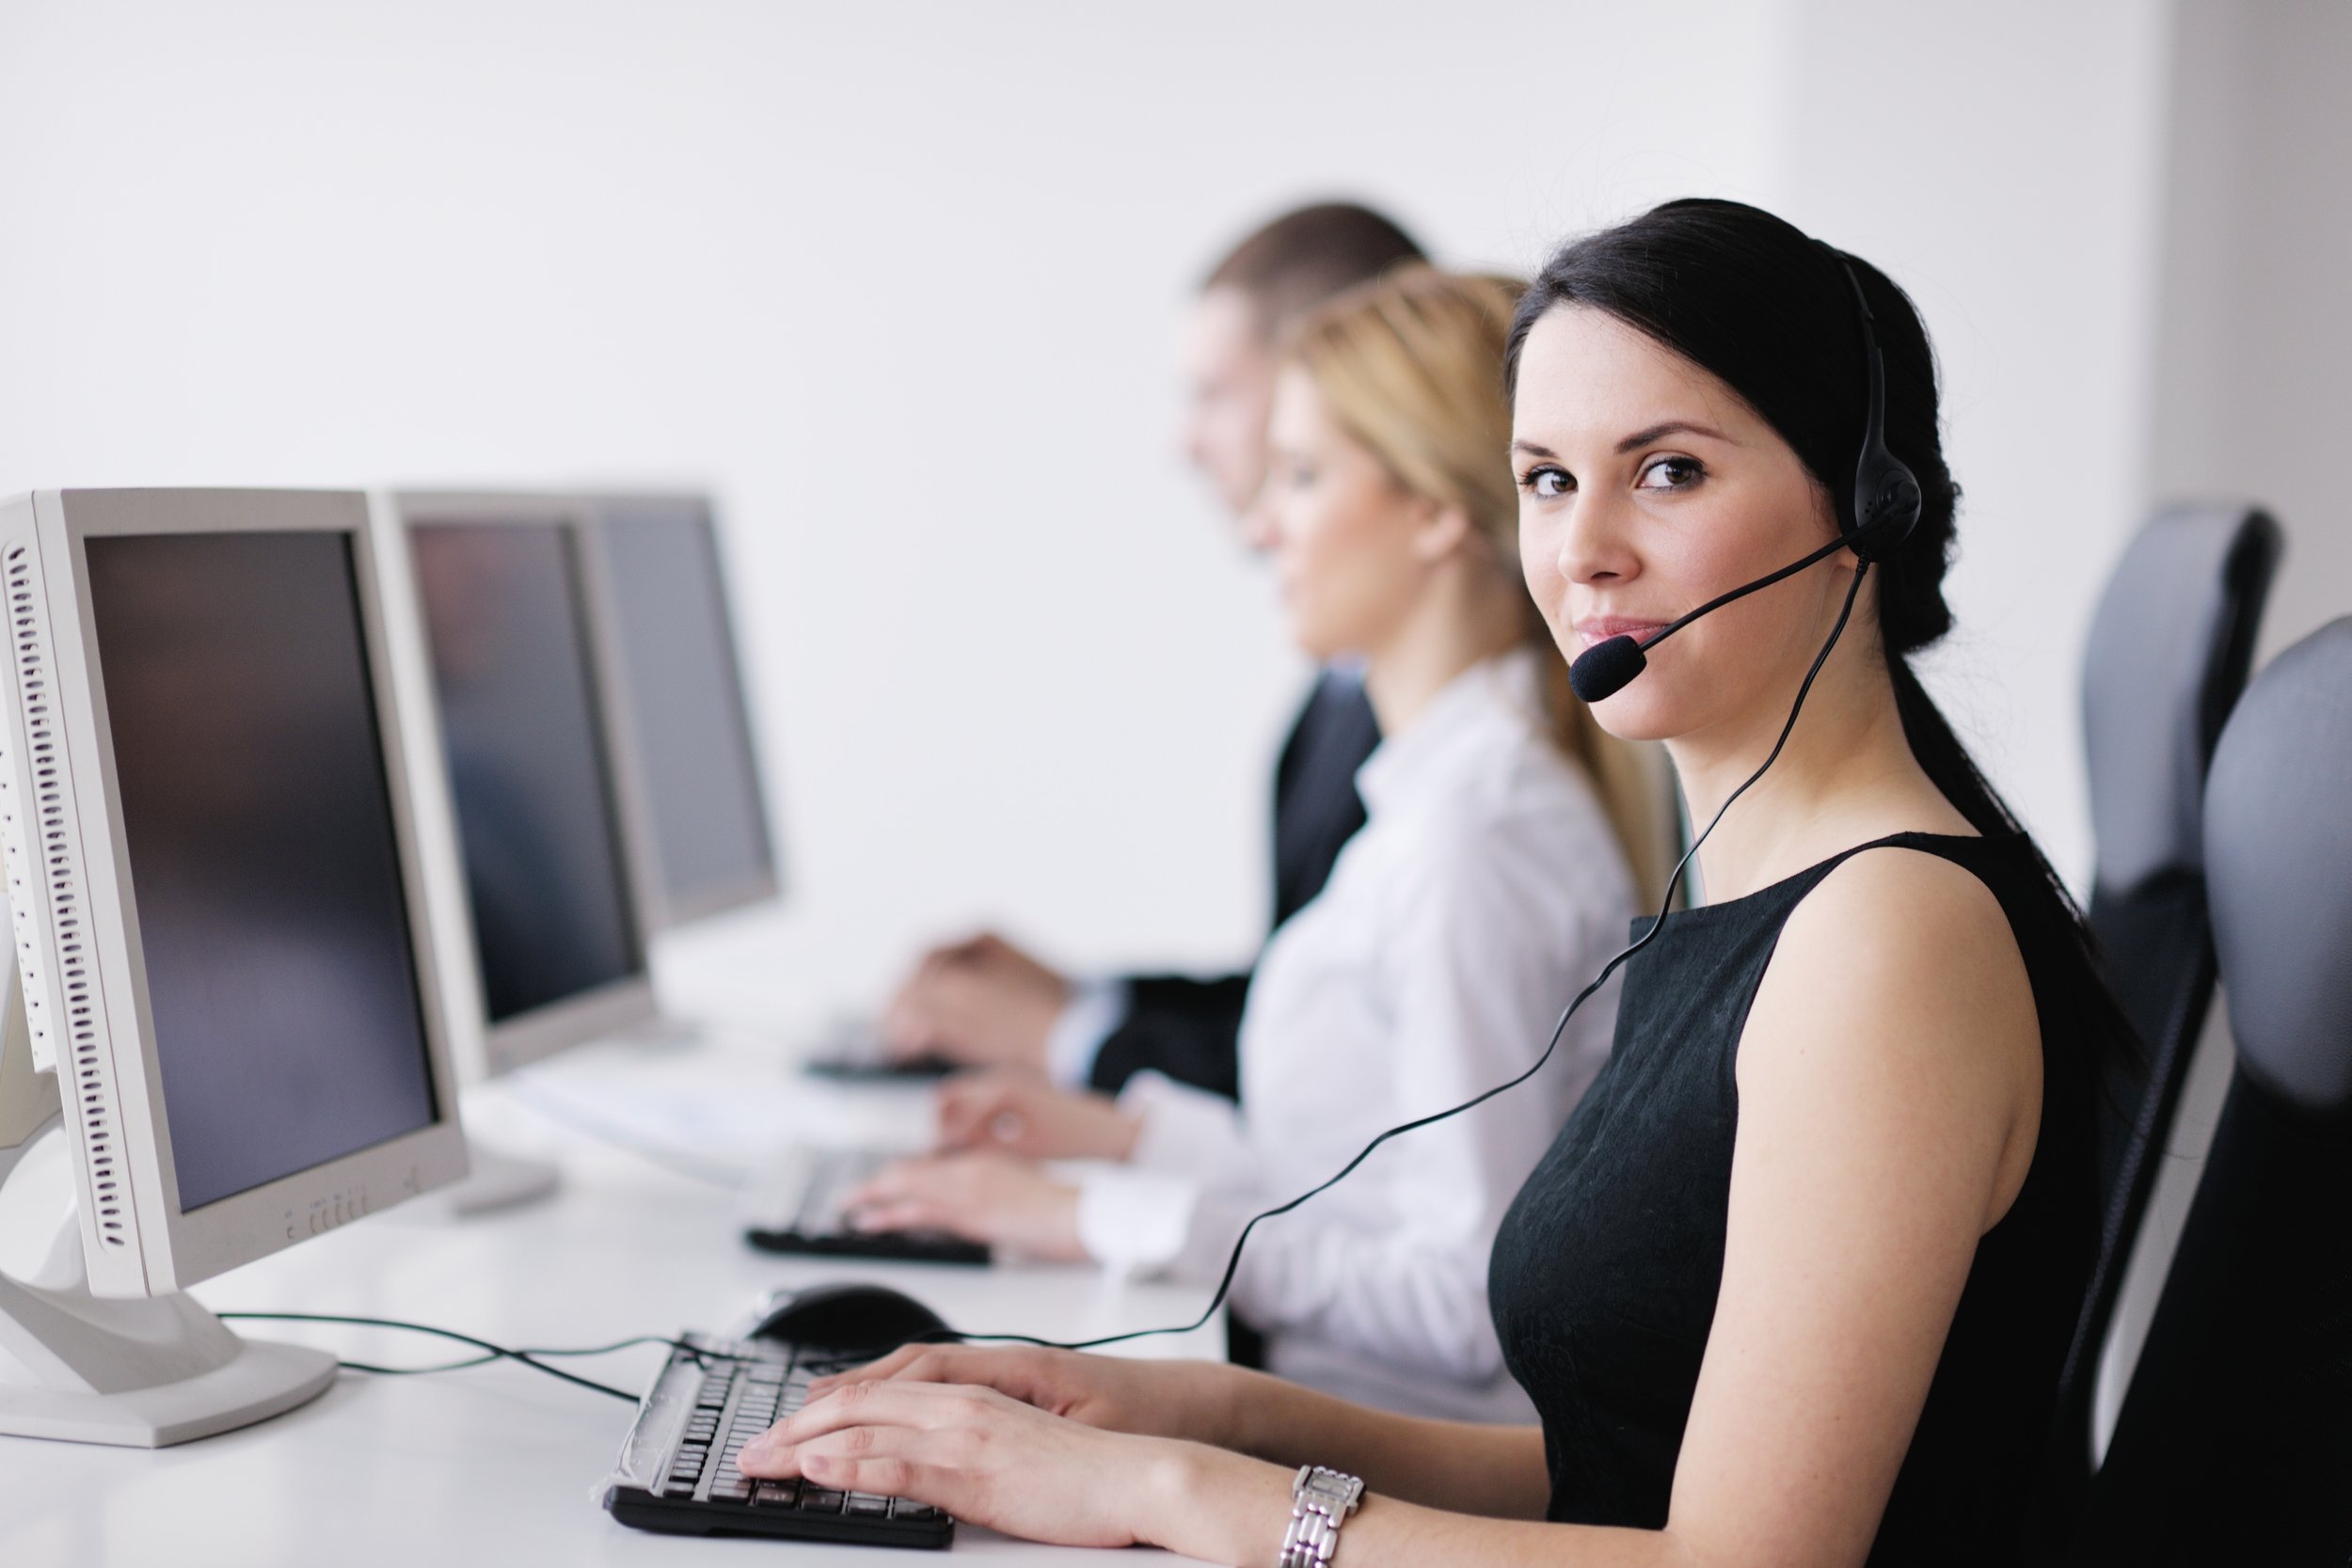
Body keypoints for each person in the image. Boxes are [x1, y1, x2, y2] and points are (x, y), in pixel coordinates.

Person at [740, 199, 2128, 1568]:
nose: (1583, 550)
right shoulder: (1760, 892)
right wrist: (1189, 1407)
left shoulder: (1887, 939)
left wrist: (1179, 1491)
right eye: (1546, 478)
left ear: (1866, 505)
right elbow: (1618, 1465)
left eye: (1669, 471)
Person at [841, 268, 1661, 1421]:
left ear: (1433, 508)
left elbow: (1463, 1301)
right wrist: (1133, 1138)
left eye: (1303, 475)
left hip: (1384, 1456)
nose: (1260, 520)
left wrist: (1093, 1212)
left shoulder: (1475, 839)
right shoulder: (1434, 798)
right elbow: (1363, 1184)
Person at [880, 202, 1427, 1102]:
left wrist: (1065, 1036)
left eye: (1213, 394)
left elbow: (1344, 1093)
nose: (1186, 442)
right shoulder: (1344, 686)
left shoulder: (1446, 740)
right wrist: (1082, 996)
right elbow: (1298, 1006)